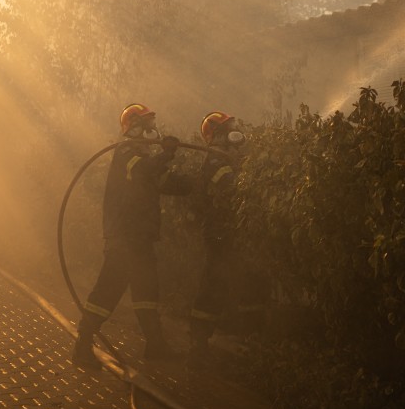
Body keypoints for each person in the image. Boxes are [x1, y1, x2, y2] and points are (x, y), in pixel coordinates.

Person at [72, 103, 192, 369]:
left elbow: (163, 182)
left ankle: (156, 346)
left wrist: (197, 184)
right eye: (147, 124)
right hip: (124, 238)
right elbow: (143, 170)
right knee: (108, 292)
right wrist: (166, 154)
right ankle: (82, 345)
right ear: (135, 127)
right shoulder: (127, 153)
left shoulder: (144, 158)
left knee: (147, 292)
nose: (152, 129)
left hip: (140, 238)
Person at [188, 111, 264, 362]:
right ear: (217, 137)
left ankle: (252, 338)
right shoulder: (215, 162)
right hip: (220, 234)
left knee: (250, 281)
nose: (235, 134)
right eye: (227, 130)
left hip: (235, 231)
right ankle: (198, 343)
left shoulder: (231, 159)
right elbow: (233, 187)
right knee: (214, 285)